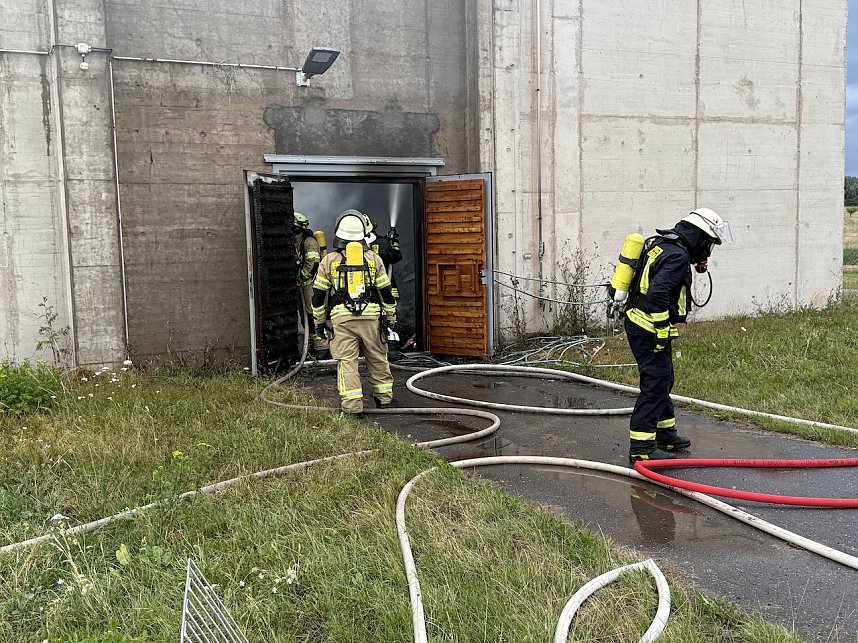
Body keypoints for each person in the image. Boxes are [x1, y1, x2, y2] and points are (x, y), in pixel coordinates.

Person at [625, 208, 733, 465]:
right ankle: (641, 447)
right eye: (708, 243)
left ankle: (665, 435)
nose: (708, 249)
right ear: (699, 236)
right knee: (655, 385)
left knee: (664, 380)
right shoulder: (677, 256)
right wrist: (662, 328)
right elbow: (657, 294)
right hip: (649, 328)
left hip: (641, 323)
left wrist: (697, 260)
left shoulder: (663, 245)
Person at [311, 210, 398, 416]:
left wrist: (319, 322)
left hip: (342, 320)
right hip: (371, 318)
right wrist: (391, 317)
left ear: (338, 234)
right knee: (377, 357)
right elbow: (385, 292)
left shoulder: (329, 260)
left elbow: (318, 296)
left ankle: (352, 408)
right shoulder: (374, 259)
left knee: (347, 362)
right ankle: (384, 399)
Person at [293, 212, 329, 359]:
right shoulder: (296, 241)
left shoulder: (309, 242)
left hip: (311, 284)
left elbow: (313, 264)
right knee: (305, 317)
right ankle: (312, 346)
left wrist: (301, 277)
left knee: (314, 315)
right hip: (302, 285)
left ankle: (322, 348)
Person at [364, 216, 403, 300]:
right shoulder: (383, 243)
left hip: (364, 291)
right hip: (386, 287)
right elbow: (396, 257)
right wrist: (394, 244)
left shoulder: (352, 247)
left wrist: (387, 238)